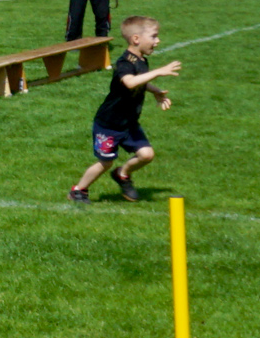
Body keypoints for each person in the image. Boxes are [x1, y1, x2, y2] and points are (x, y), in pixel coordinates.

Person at [69, 15, 178, 204]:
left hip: (129, 123)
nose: (157, 41)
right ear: (136, 39)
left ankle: (122, 174)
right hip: (109, 124)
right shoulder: (125, 62)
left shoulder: (141, 60)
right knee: (105, 162)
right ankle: (78, 190)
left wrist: (155, 91)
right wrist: (159, 72)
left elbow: (139, 81)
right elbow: (129, 82)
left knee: (146, 155)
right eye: (153, 36)